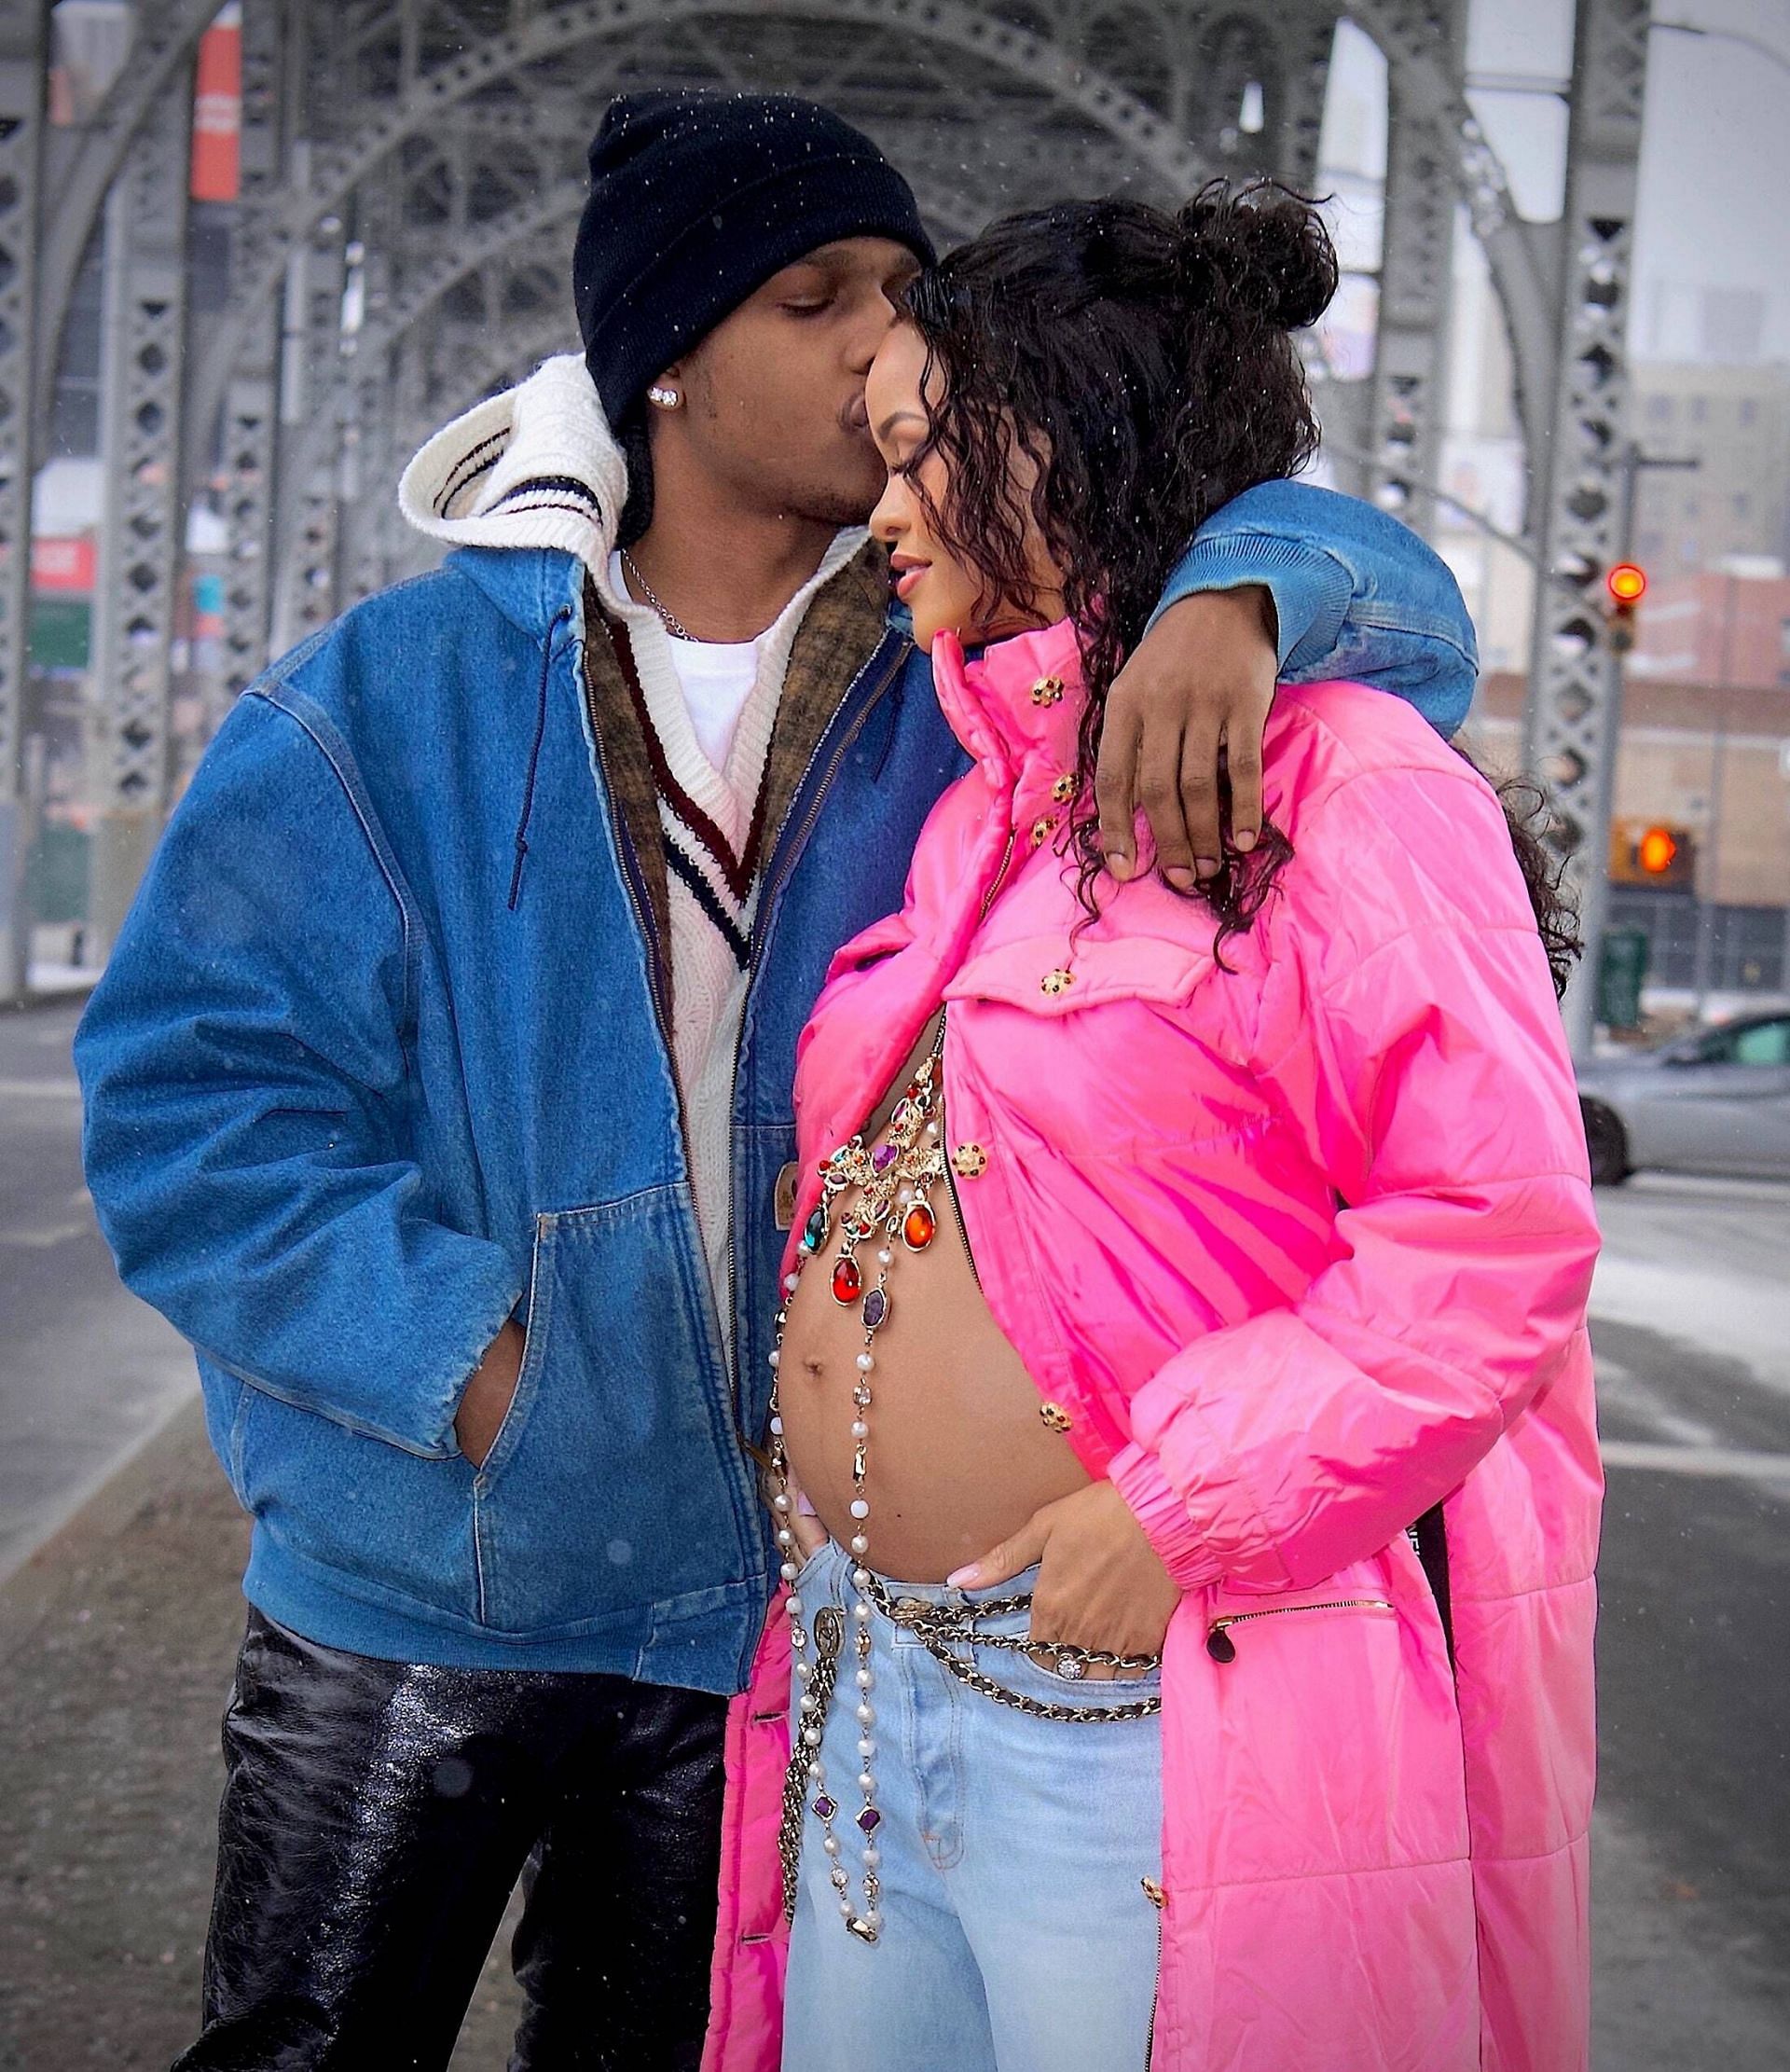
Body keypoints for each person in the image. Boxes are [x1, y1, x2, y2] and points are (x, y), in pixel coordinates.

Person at [76, 94, 1483, 2072]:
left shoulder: (976, 669)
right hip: (427, 1579)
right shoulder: (385, 697)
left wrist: (1241, 594)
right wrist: (482, 1362)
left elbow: (1406, 613)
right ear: (658, 357)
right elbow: (183, 1104)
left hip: (773, 1630)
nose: (875, 346)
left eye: (904, 298)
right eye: (814, 295)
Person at [744, 186, 1602, 2072]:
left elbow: (1493, 1239)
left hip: (1132, 1721)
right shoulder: (985, 809)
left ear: (1060, 430)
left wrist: (1177, 1506)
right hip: (868, 1682)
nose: (883, 512)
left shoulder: (1349, 783)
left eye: (919, 453)